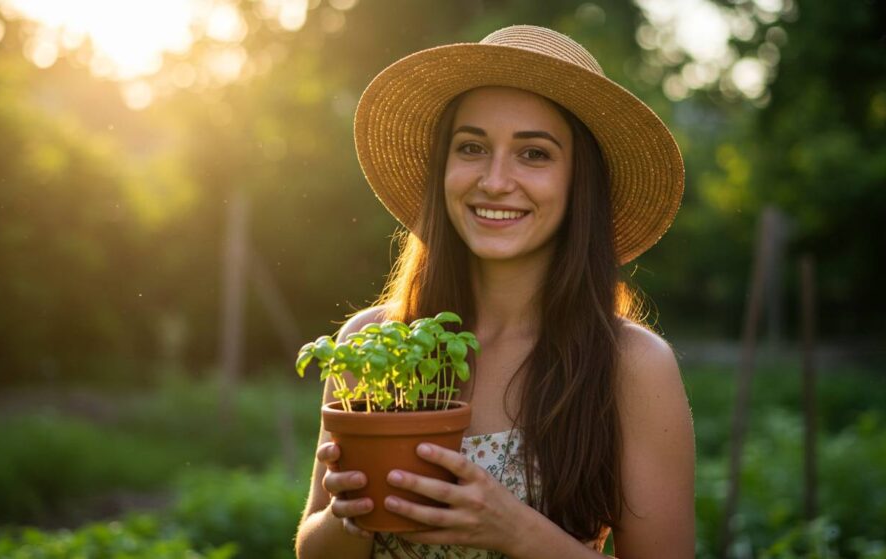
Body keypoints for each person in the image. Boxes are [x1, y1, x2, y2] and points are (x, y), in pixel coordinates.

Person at [295, 25, 694, 559]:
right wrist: (353, 518)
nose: (495, 180)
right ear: (444, 168)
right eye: (472, 147)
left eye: (534, 154)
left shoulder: (632, 365)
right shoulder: (373, 346)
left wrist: (514, 530)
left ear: (581, 183)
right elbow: (313, 549)